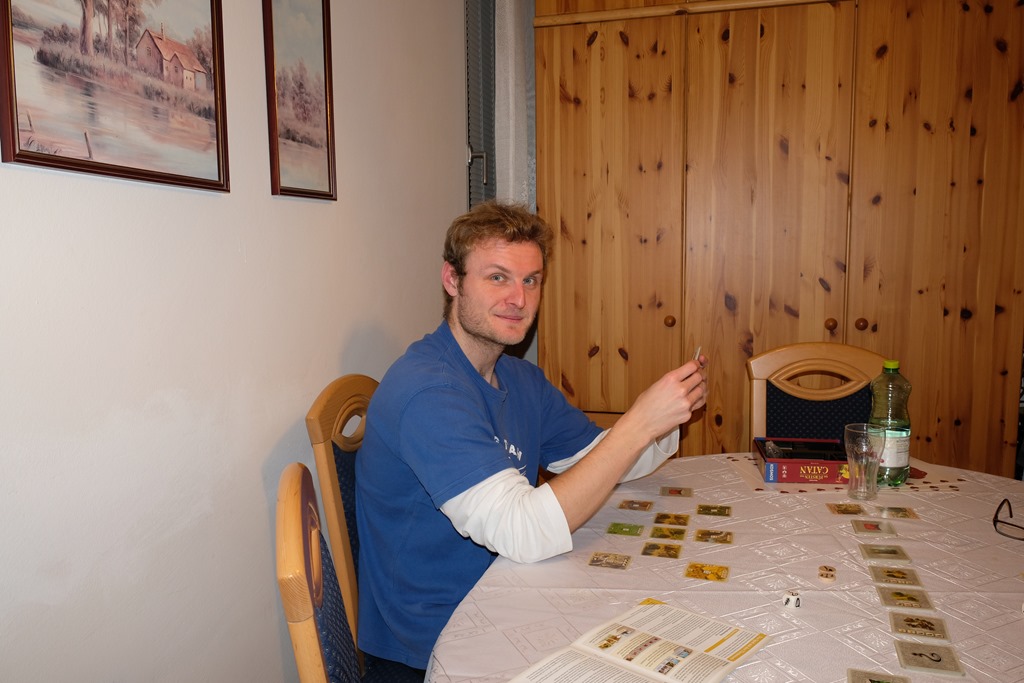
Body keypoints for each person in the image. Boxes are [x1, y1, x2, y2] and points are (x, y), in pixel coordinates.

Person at [355, 200, 707, 671]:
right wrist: (639, 422)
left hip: (509, 594)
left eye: (531, 280)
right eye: (497, 277)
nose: (518, 299)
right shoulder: (428, 391)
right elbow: (523, 533)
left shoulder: (519, 378)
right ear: (452, 280)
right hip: (433, 645)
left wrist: (665, 418)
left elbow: (603, 459)